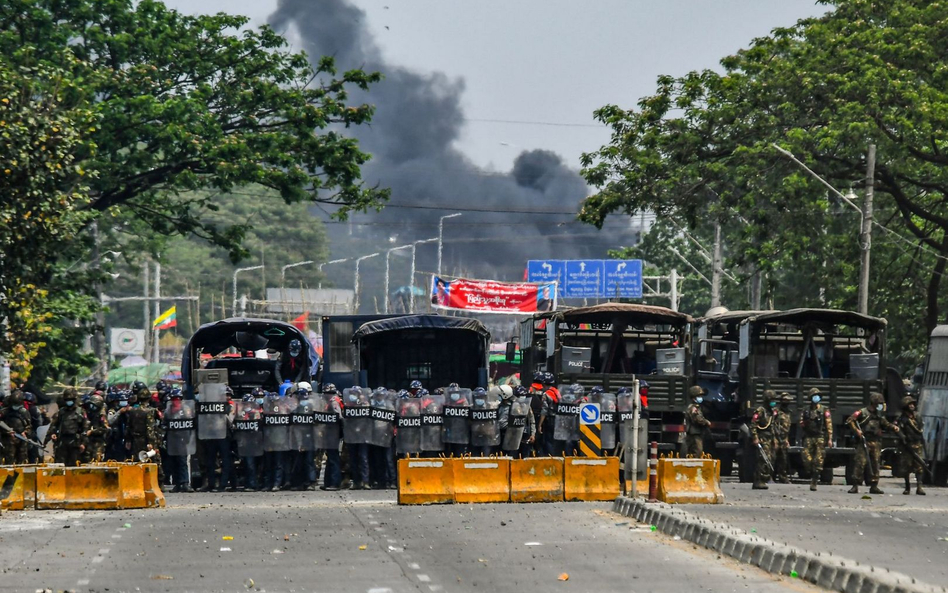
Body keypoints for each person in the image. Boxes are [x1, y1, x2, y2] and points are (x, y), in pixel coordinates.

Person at [846, 392, 899, 494]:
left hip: (876, 441)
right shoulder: (862, 412)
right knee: (860, 463)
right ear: (874, 403)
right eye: (879, 403)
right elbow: (850, 420)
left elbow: (885, 424)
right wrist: (857, 431)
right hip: (864, 441)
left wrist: (894, 427)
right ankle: (855, 485)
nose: (881, 405)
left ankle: (874, 485)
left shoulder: (879, 415)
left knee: (875, 463)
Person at [799, 387, 833, 491]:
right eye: (814, 396)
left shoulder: (824, 410)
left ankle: (814, 480)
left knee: (819, 459)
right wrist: (806, 422)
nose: (816, 398)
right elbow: (801, 423)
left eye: (817, 396)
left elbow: (829, 424)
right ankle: (811, 471)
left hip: (820, 437)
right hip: (809, 436)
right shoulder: (806, 410)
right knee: (806, 458)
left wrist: (830, 438)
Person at [45, 388, 88, 467]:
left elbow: (85, 429)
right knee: (60, 466)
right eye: (67, 400)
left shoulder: (80, 412)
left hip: (75, 442)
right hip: (62, 442)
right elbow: (54, 425)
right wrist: (52, 434)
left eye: (70, 399)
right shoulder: (61, 412)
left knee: (74, 466)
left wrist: (83, 443)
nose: (69, 402)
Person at [749, 390, 779, 490]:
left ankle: (763, 479)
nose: (773, 402)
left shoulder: (772, 412)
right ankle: (758, 480)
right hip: (762, 438)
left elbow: (773, 426)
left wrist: (774, 440)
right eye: (771, 400)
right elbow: (753, 425)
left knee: (770, 459)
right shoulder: (760, 411)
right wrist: (755, 437)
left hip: (770, 438)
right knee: (763, 459)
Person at [896, 396, 926, 496]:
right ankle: (907, 487)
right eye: (909, 404)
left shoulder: (917, 417)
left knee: (919, 467)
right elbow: (898, 429)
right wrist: (903, 438)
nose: (912, 406)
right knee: (906, 467)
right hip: (907, 446)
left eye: (913, 404)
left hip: (917, 444)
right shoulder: (902, 418)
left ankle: (919, 487)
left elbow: (920, 429)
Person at [319, 383, 344, 491]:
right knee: (330, 457)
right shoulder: (332, 401)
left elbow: (339, 417)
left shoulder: (334, 402)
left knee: (333, 458)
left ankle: (334, 483)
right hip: (330, 433)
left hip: (333, 433)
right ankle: (328, 482)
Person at [1, 389, 33, 465]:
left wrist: (25, 432)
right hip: (8, 440)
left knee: (21, 460)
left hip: (21, 440)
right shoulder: (5, 412)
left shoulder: (24, 412)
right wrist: (7, 432)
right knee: (9, 461)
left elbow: (29, 426)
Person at [683, 386, 710, 458]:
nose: (701, 398)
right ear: (694, 397)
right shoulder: (693, 408)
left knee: (693, 452)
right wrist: (706, 422)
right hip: (694, 433)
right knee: (697, 451)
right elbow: (698, 419)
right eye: (699, 396)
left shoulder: (696, 407)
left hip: (695, 433)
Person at [82, 394, 110, 463]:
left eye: (94, 405)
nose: (91, 407)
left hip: (98, 442)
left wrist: (92, 431)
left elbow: (105, 429)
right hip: (88, 441)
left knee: (97, 459)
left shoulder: (101, 415)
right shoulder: (89, 412)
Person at [772, 393, 794, 484]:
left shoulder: (789, 412)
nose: (787, 402)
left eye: (788, 401)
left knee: (783, 459)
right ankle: (771, 477)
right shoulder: (776, 411)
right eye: (785, 400)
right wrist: (774, 439)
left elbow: (787, 428)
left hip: (784, 438)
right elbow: (772, 424)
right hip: (776, 437)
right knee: (773, 458)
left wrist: (787, 440)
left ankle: (783, 477)